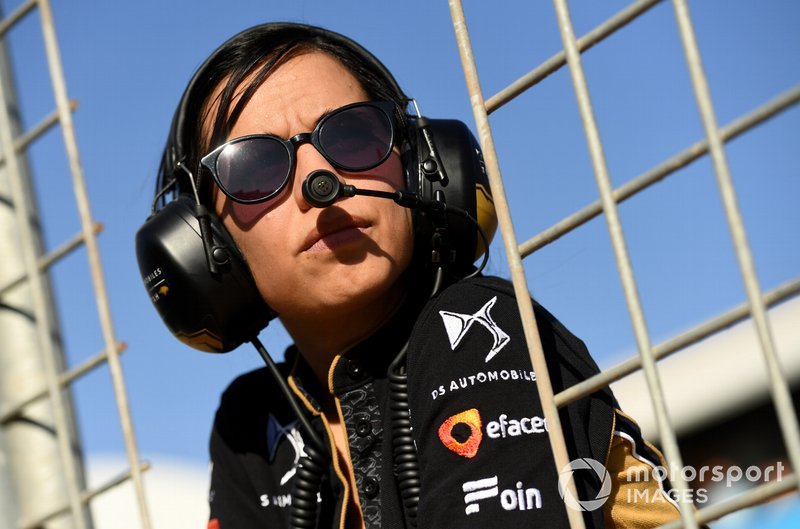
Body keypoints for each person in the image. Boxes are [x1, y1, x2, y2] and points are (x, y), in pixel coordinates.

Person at [138, 22, 687, 529]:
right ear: (207, 244)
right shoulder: (248, 423)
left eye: (352, 136)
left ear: (424, 167)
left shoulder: (473, 323)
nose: (319, 181)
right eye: (253, 166)